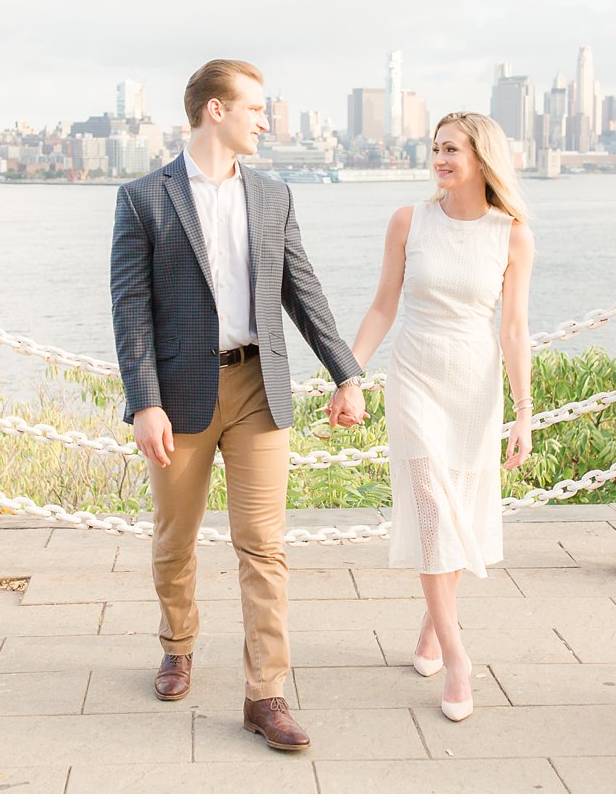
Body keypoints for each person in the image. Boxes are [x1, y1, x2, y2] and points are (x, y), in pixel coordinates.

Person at [109, 59, 367, 752]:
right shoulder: (143, 199)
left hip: (259, 387)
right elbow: (130, 309)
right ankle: (178, 643)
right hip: (179, 395)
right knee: (175, 539)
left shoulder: (274, 195)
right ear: (215, 111)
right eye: (256, 107)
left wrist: (346, 374)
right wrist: (144, 404)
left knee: (264, 546)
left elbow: (302, 290)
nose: (266, 120)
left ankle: (265, 694)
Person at [345, 110, 534, 722]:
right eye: (435, 149)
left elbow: (513, 330)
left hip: (475, 390)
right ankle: (457, 657)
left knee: (459, 510)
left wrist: (524, 413)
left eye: (452, 149)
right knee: (432, 512)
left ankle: (432, 625)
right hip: (415, 381)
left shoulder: (512, 234)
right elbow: (381, 307)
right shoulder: (409, 221)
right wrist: (349, 374)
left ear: (482, 157)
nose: (440, 159)